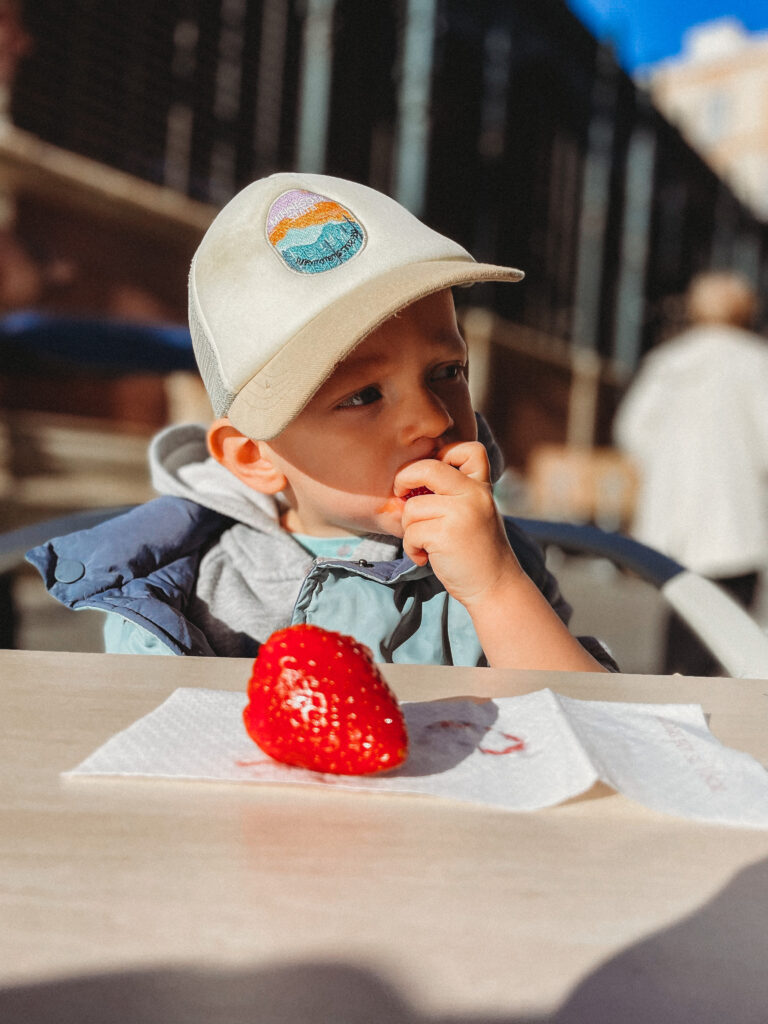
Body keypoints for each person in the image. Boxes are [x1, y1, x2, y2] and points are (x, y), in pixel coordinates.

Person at [28, 172, 616, 671]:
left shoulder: (495, 554)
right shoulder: (184, 596)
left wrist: (496, 588)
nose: (431, 416)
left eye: (446, 371)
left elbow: (595, 727)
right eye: (363, 396)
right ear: (253, 457)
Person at [614, 270, 768, 675]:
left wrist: (671, 465)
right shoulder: (756, 362)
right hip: (735, 516)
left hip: (677, 516)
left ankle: (678, 685)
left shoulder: (668, 361)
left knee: (684, 608)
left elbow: (631, 430)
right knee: (731, 619)